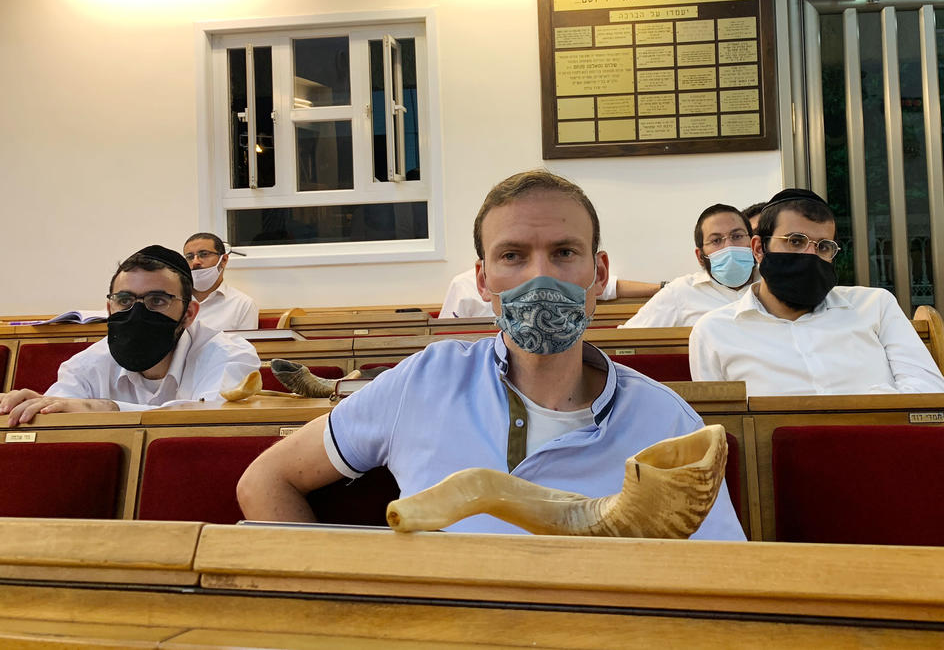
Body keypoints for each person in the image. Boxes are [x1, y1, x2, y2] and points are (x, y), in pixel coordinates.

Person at [238, 170, 745, 540]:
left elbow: (721, 577)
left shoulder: (665, 419)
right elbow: (267, 478)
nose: (539, 276)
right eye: (513, 256)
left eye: (565, 253)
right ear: (483, 280)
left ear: (600, 273)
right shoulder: (422, 381)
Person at [689, 189, 944, 396]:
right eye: (795, 241)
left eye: (823, 246)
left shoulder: (875, 306)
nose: (810, 255)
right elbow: (721, 428)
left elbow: (931, 392)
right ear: (759, 249)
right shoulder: (714, 331)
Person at [0, 245, 261, 426]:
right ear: (109, 308)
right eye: (125, 300)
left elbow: (210, 420)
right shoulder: (87, 364)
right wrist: (29, 408)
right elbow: (59, 412)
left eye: (157, 300)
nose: (137, 313)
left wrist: (105, 408)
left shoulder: (228, 354)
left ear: (189, 314)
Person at [622, 204, 757, 328]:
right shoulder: (680, 292)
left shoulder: (771, 282)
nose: (729, 246)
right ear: (700, 257)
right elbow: (627, 338)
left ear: (753, 243)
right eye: (716, 240)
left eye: (737, 236)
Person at [440, 269, 659, 318]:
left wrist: (662, 288)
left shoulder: (558, 275)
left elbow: (611, 286)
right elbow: (447, 338)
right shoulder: (462, 285)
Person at [183, 233, 258, 331]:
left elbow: (246, 346)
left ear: (223, 260)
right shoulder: (174, 300)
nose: (195, 262)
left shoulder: (242, 304)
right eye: (190, 257)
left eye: (204, 254)